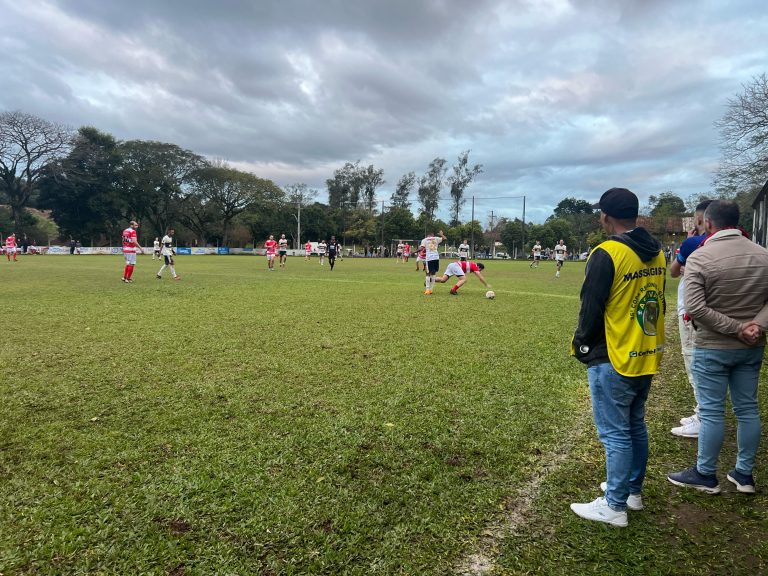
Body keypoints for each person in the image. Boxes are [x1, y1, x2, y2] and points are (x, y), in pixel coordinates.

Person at [570, 188, 666, 527]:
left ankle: (614, 506)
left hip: (614, 355)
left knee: (614, 433)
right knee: (635, 424)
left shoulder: (607, 252)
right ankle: (631, 492)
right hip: (645, 350)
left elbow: (591, 305)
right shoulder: (657, 252)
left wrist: (582, 344)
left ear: (606, 216)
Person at [667, 200, 768, 495]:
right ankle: (744, 475)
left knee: (711, 412)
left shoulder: (700, 257)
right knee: (748, 409)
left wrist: (737, 328)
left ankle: (705, 473)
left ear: (708, 224)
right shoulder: (763, 255)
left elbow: (695, 307)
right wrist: (755, 326)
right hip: (751, 346)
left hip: (712, 345)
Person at [668, 200, 712, 438]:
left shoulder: (694, 242)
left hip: (692, 309)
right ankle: (703, 412)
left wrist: (686, 243)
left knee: (694, 362)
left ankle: (704, 418)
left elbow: (674, 271)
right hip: (718, 311)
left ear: (702, 219)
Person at [420, 229, 447, 295]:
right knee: (434, 274)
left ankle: (427, 290)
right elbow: (445, 238)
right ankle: (431, 290)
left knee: (427, 273)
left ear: (427, 235)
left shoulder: (425, 240)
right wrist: (441, 234)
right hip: (436, 258)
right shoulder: (436, 238)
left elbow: (421, 248)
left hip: (429, 259)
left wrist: (414, 252)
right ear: (432, 235)